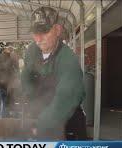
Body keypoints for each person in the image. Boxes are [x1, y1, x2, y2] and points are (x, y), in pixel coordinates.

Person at [21, 7, 86, 140]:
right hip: (41, 113)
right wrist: (31, 99)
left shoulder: (68, 59)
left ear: (57, 30)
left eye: (44, 31)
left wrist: (41, 124)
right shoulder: (32, 51)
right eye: (35, 32)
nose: (38, 39)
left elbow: (66, 99)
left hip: (66, 119)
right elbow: (26, 76)